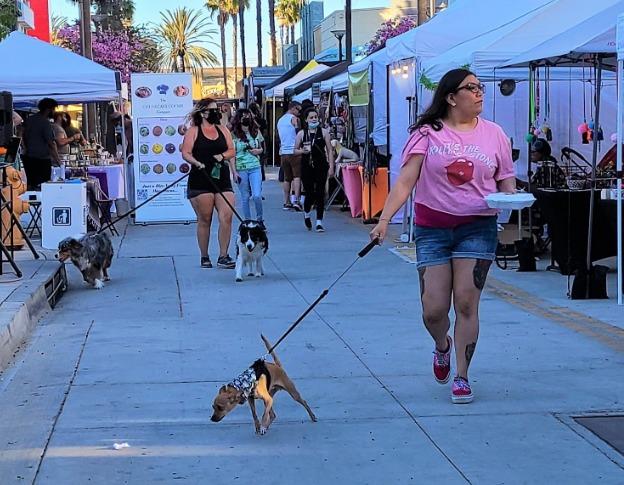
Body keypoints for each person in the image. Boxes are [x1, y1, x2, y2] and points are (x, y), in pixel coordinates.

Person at [370, 69, 516, 404]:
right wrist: (384, 220)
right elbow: (406, 181)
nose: (479, 93)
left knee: (466, 301)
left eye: (480, 87)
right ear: (451, 97)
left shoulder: (495, 134)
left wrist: (514, 200)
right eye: (471, 88)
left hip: (477, 228)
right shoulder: (427, 133)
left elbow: (506, 182)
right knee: (433, 310)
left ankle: (462, 376)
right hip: (433, 228)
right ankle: (442, 346)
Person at [181, 98, 238, 269]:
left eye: (217, 109)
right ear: (203, 113)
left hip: (221, 178)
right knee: (205, 219)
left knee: (226, 216)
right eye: (212, 109)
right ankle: (204, 256)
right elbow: (186, 152)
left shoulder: (223, 130)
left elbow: (231, 149)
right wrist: (197, 163)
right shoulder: (193, 131)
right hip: (201, 178)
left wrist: (222, 156)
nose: (216, 112)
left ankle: (223, 255)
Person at [294, 108, 335, 232]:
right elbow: (294, 150)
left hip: (321, 165)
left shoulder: (324, 132)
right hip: (307, 166)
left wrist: (331, 166)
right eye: (311, 117)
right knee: (309, 193)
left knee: (320, 193)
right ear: (306, 120)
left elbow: (329, 150)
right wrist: (302, 151)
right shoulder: (302, 133)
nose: (314, 119)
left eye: (315, 117)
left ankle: (319, 222)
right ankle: (306, 214)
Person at [231, 109, 265, 227]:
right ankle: (248, 221)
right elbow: (232, 155)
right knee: (245, 197)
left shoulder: (255, 131)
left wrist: (258, 151)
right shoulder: (233, 134)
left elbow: (261, 148)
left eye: (248, 116)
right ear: (238, 118)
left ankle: (260, 219)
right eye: (243, 116)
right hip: (241, 168)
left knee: (257, 195)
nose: (246, 118)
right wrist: (234, 172)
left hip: (255, 166)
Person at [21, 98, 61, 190]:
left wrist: (25, 148)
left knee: (31, 185)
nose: (54, 112)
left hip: (28, 158)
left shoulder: (29, 120)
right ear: (48, 109)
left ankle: (31, 203)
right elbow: (51, 143)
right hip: (42, 159)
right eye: (53, 109)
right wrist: (58, 160)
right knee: (44, 186)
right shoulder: (45, 123)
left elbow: (21, 135)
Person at [277, 101, 302, 210]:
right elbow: (299, 134)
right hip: (294, 151)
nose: (299, 112)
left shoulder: (280, 120)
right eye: (298, 109)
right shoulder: (294, 119)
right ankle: (296, 200)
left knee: (287, 178)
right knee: (297, 176)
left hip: (283, 152)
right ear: (292, 108)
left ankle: (286, 201)